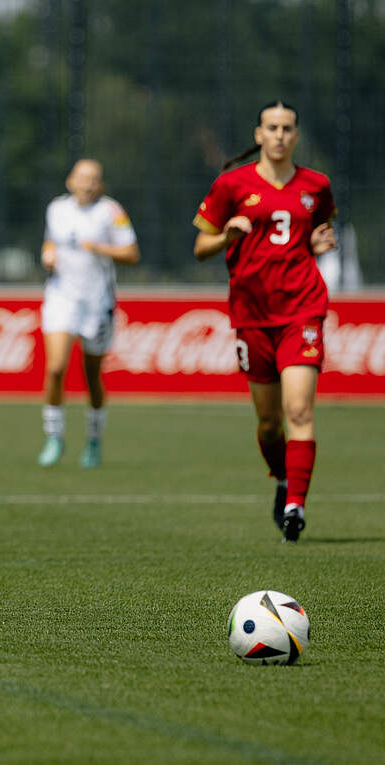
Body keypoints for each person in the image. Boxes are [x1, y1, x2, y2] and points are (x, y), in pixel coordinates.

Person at [193, 100, 337, 543]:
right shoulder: (231, 184)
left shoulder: (316, 185)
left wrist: (318, 243)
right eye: (271, 128)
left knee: (299, 410)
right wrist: (226, 235)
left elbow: (316, 232)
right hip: (252, 315)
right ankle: (282, 477)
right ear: (258, 135)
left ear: (296, 135)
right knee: (270, 424)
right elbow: (200, 247)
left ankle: (295, 506)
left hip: (302, 308)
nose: (279, 135)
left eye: (287, 128)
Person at [36, 159, 140, 469]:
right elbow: (50, 242)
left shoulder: (111, 211)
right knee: (56, 368)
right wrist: (47, 255)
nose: (88, 184)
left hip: (97, 303)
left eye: (94, 178)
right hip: (61, 298)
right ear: (70, 181)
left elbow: (131, 252)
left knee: (92, 375)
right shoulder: (57, 209)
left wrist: (98, 248)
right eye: (82, 178)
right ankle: (54, 436)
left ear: (100, 184)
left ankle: (94, 439)